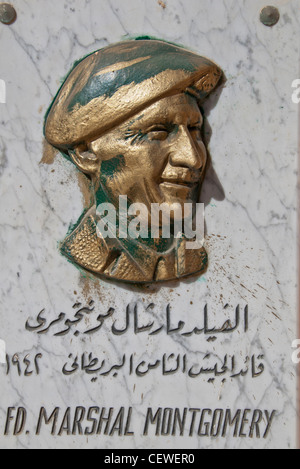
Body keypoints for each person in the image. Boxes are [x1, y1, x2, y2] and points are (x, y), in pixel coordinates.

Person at [44, 38, 223, 284]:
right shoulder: (88, 252)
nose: (192, 158)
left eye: (194, 130)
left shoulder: (191, 255)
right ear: (86, 153)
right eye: (158, 132)